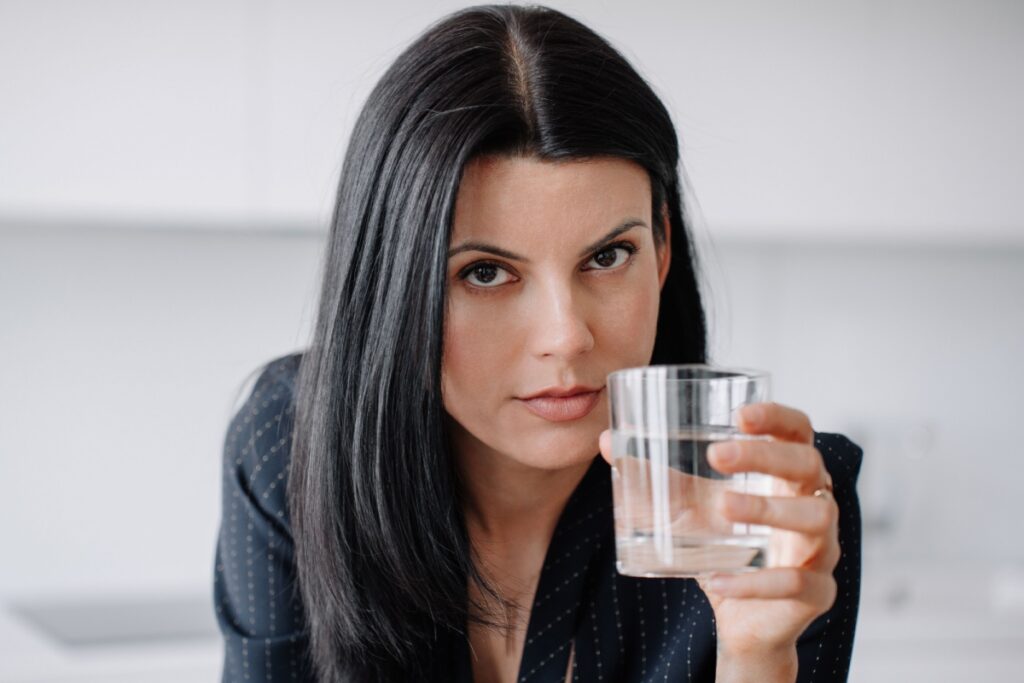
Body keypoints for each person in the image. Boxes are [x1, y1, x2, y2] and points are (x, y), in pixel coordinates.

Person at [212, 4, 863, 682]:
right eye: (485, 272)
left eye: (609, 255)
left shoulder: (773, 505)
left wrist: (758, 656)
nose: (566, 336)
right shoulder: (289, 445)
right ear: (393, 286)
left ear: (662, 249)